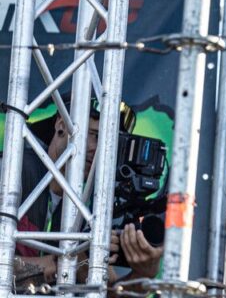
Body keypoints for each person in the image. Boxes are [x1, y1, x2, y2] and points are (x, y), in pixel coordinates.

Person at [10, 101, 163, 284]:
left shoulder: (88, 207)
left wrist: (143, 274)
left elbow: (109, 292)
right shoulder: (11, 172)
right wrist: (65, 262)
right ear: (61, 125)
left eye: (110, 144)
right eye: (95, 135)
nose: (99, 151)